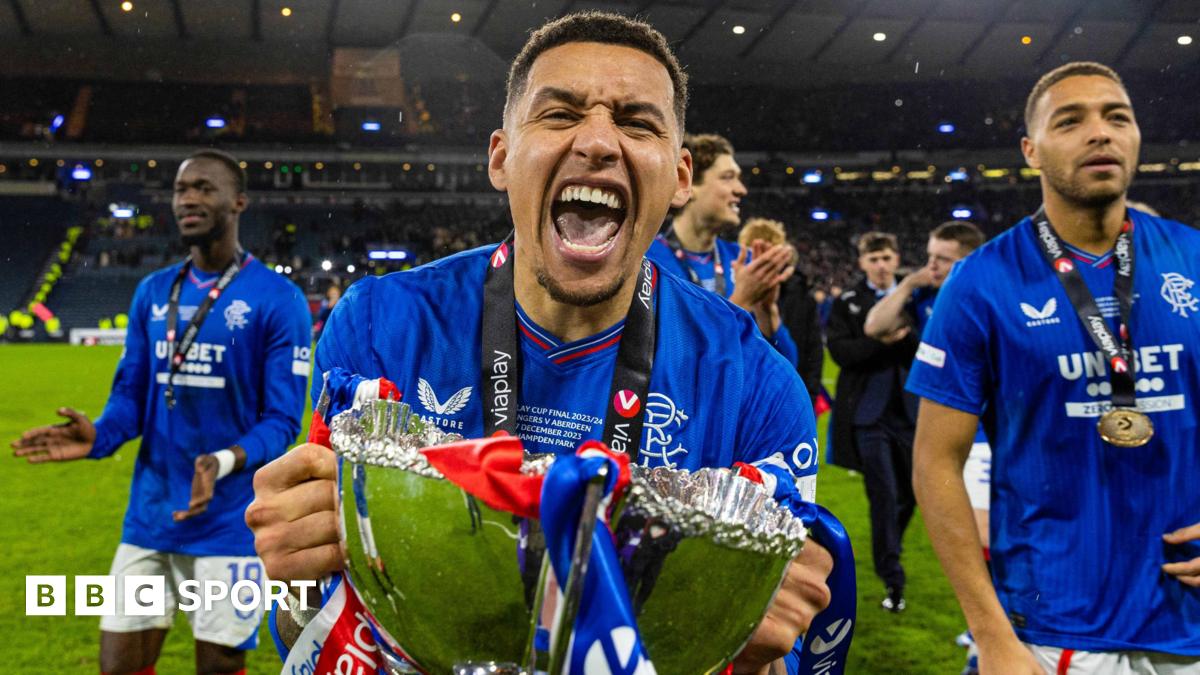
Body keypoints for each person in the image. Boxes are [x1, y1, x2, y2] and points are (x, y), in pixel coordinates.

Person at [246, 12, 833, 675]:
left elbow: (784, 657)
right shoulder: (380, 326)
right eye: (559, 114)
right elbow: (309, 625)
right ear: (500, 157)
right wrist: (300, 574)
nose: (598, 141)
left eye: (637, 123)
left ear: (679, 176)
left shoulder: (756, 383)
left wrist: (745, 639)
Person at [909, 61, 1200, 674]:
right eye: (1070, 121)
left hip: (1191, 620)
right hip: (1051, 628)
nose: (1100, 132)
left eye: (1117, 117)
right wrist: (990, 636)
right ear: (1031, 151)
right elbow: (935, 462)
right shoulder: (980, 282)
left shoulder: (1194, 259)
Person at [12, 149, 311, 675]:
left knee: (218, 668)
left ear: (238, 202)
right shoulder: (153, 292)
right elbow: (131, 397)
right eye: (180, 189)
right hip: (149, 518)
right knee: (118, 666)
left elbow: (282, 422)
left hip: (228, 525)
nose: (188, 199)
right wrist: (99, 435)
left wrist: (220, 461)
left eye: (204, 188)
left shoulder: (277, 299)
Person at [863, 220, 988, 671]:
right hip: (945, 433)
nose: (930, 265)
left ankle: (990, 632)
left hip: (990, 432)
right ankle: (984, 628)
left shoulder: (990, 297)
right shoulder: (923, 297)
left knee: (989, 537)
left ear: (968, 262)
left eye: (942, 259)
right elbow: (875, 325)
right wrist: (909, 283)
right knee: (970, 537)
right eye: (930, 256)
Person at [645, 133, 799, 363]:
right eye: (728, 178)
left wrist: (767, 312)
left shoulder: (742, 260)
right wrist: (741, 301)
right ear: (689, 184)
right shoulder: (647, 261)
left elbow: (786, 366)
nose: (741, 189)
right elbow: (673, 363)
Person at [827, 231, 920, 613]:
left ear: (896, 259)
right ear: (862, 262)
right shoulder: (848, 300)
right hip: (867, 414)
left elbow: (929, 348)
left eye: (886, 258)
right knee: (883, 493)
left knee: (911, 494)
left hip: (911, 411)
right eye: (873, 259)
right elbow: (840, 352)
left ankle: (889, 545)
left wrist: (902, 338)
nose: (881, 265)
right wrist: (881, 341)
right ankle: (893, 578)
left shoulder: (917, 298)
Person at [738, 217, 824, 403]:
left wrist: (809, 396)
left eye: (770, 251)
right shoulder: (730, 290)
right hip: (743, 398)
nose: (764, 259)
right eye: (755, 251)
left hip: (789, 397)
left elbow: (813, 351)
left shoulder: (802, 295)